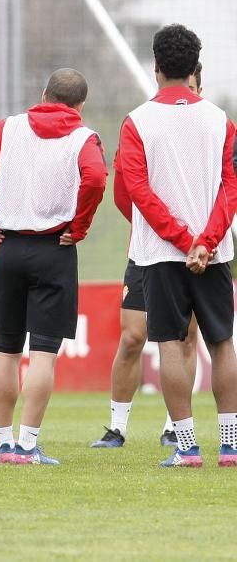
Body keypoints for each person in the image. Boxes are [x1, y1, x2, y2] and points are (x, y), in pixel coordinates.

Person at [0, 68, 106, 465]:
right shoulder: (83, 137)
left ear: (43, 94)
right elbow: (94, 178)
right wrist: (80, 225)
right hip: (54, 249)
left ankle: (3, 444)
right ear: (80, 105)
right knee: (43, 354)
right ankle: (27, 444)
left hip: (9, 248)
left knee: (5, 351)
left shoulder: (11, 127)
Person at [117, 24, 237, 468]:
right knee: (222, 344)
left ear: (157, 66)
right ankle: (231, 444)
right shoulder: (220, 119)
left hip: (163, 255)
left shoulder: (137, 121)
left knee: (169, 343)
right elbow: (231, 188)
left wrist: (184, 240)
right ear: (193, 69)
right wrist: (205, 242)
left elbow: (139, 192)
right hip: (215, 254)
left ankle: (187, 448)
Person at [91, 63, 204, 450]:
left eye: (192, 88)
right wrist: (148, 227)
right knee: (132, 336)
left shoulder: (206, 128)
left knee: (184, 338)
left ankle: (176, 425)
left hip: (194, 251)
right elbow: (125, 190)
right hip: (149, 251)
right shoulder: (144, 125)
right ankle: (116, 427)